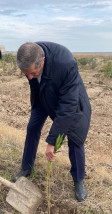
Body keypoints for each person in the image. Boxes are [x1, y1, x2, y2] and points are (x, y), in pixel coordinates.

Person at [13, 42, 91, 202]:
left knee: (75, 138)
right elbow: (34, 81)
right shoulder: (30, 53)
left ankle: (78, 179)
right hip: (43, 96)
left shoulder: (66, 64)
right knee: (32, 127)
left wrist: (52, 141)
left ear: (42, 61)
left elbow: (68, 107)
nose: (29, 77)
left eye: (32, 73)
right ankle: (26, 168)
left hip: (70, 102)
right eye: (25, 73)